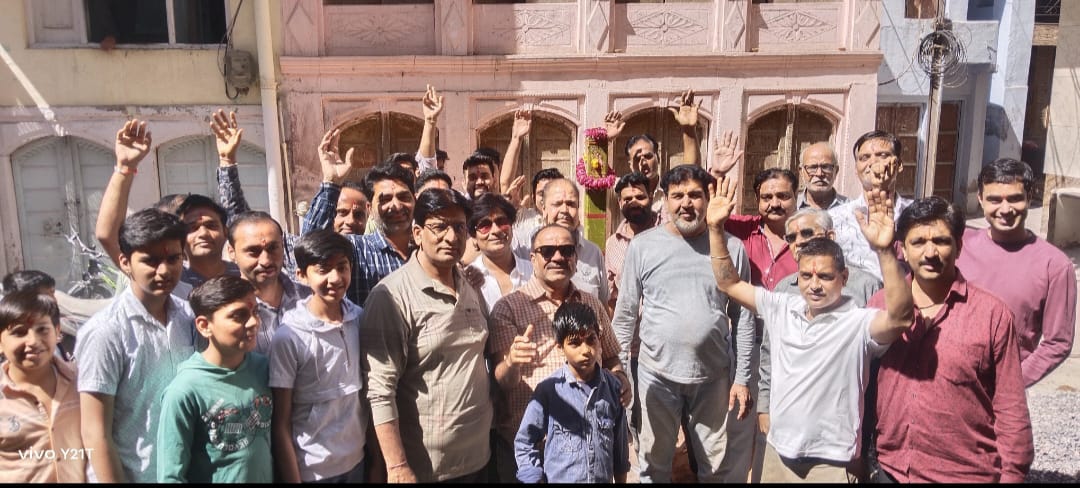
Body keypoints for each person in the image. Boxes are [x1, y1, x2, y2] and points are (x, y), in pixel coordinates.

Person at [709, 173, 914, 482]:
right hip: (778, 451)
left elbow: (899, 318)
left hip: (832, 461)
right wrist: (715, 229)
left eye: (825, 277)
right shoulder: (782, 305)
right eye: (806, 276)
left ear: (844, 278)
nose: (814, 285)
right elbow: (729, 283)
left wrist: (885, 251)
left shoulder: (858, 322)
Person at [868, 197, 1033, 483]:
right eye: (918, 242)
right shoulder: (879, 307)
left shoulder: (991, 314)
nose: (930, 252)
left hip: (965, 473)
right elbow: (863, 387)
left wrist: (1012, 474)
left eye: (941, 241)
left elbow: (1010, 407)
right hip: (891, 470)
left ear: (958, 245)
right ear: (903, 249)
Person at [611, 164, 754, 483]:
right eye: (677, 196)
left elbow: (743, 317)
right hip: (656, 375)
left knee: (714, 467)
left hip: (712, 378)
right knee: (653, 465)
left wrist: (742, 378)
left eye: (694, 195)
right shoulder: (643, 246)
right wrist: (620, 370)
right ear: (665, 200)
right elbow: (625, 315)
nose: (686, 203)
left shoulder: (731, 248)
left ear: (708, 199)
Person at [362, 189, 492, 483]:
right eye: (439, 227)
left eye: (459, 227)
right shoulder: (391, 296)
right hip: (427, 468)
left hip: (479, 457)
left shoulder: (469, 284)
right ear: (418, 233)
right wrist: (396, 466)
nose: (451, 237)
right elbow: (380, 391)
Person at [490, 223, 629, 482]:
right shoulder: (508, 308)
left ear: (575, 257)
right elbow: (503, 381)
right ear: (533, 258)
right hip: (530, 452)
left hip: (589, 451)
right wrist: (512, 361)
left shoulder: (591, 303)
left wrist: (620, 379)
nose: (557, 257)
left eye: (566, 250)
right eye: (547, 251)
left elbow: (611, 357)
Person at [77, 208, 201, 483]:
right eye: (151, 261)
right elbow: (95, 433)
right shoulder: (106, 332)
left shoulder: (191, 318)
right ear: (125, 262)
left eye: (173, 258)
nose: (164, 270)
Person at [758, 208, 885, 443]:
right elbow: (769, 351)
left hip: (845, 425)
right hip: (790, 423)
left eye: (807, 233)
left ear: (831, 236)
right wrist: (764, 405)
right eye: (791, 237)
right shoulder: (783, 289)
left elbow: (880, 358)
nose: (799, 242)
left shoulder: (866, 286)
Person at [957, 158, 1076, 387]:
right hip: (945, 385)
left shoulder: (1054, 265)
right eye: (994, 200)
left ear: (1029, 197)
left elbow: (1058, 342)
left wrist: (1009, 385)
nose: (1005, 209)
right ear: (980, 199)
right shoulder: (958, 246)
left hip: (999, 394)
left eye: (1014, 199)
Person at [95, 119, 236, 299]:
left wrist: (228, 161)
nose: (203, 233)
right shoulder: (166, 277)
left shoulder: (246, 273)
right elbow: (108, 236)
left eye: (211, 225)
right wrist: (125, 167)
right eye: (192, 227)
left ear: (226, 232)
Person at [270, 229, 367, 483]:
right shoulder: (289, 336)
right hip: (312, 469)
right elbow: (281, 421)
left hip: (357, 460)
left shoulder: (359, 319)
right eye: (323, 269)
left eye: (342, 267)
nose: (335, 278)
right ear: (301, 275)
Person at [156, 276, 272, 483]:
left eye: (256, 312)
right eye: (239, 316)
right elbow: (171, 475)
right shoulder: (184, 391)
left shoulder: (263, 369)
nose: (254, 322)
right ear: (204, 326)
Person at [514, 302, 631, 484]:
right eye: (575, 343)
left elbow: (620, 447)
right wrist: (533, 476)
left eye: (591, 340)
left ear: (600, 340)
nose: (585, 350)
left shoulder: (612, 388)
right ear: (560, 348)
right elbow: (524, 442)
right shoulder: (549, 391)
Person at [302, 153, 416, 306]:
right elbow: (311, 247)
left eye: (403, 197)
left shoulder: (425, 250)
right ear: (370, 208)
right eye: (385, 199)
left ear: (415, 200)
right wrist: (331, 183)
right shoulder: (357, 249)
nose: (396, 205)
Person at [0, 291, 85, 483]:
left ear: (58, 332)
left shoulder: (82, 383)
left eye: (42, 330)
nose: (33, 341)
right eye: (19, 332)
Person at [828, 131, 913, 280]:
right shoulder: (835, 219)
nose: (873, 163)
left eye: (883, 155)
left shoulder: (918, 215)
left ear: (899, 165)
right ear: (856, 169)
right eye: (864, 158)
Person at [225, 211, 310, 355]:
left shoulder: (309, 298)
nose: (266, 261)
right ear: (232, 252)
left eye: (272, 248)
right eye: (253, 251)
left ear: (283, 246)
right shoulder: (224, 310)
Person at [604, 89, 702, 213]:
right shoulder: (621, 189)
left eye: (648, 156)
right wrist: (605, 140)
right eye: (637, 159)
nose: (643, 162)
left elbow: (691, 171)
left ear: (658, 158)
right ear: (630, 164)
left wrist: (688, 130)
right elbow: (594, 175)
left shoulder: (671, 189)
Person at [517, 178, 609, 304]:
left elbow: (603, 304)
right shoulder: (525, 247)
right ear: (543, 209)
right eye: (557, 204)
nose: (564, 210)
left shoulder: (593, 252)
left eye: (571, 204)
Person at [467, 193, 532, 312]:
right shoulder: (468, 280)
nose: (496, 230)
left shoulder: (533, 272)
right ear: (474, 237)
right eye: (485, 226)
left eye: (502, 222)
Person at [605, 172, 660, 311]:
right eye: (628, 199)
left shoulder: (668, 234)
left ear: (651, 197)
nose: (634, 203)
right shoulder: (613, 244)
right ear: (620, 203)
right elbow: (612, 299)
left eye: (640, 197)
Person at [510, 168, 564, 263]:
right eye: (541, 194)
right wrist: (509, 206)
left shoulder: (566, 220)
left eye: (552, 192)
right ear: (533, 197)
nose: (546, 198)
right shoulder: (522, 217)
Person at [796, 142, 848, 210]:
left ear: (836, 171)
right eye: (813, 167)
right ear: (801, 172)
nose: (819, 174)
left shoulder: (850, 209)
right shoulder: (791, 207)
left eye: (826, 167)